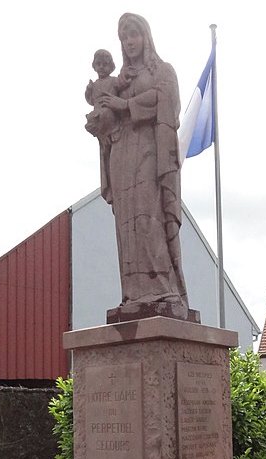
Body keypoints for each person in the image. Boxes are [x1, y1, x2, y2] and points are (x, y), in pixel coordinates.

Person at [93, 13, 190, 321]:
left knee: (149, 217)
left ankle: (163, 289)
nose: (129, 41)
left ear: (145, 36)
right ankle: (134, 294)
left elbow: (168, 102)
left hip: (151, 152)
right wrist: (101, 118)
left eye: (134, 34)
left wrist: (126, 106)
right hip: (121, 155)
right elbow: (105, 114)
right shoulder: (118, 81)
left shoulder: (163, 70)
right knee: (127, 225)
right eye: (124, 37)